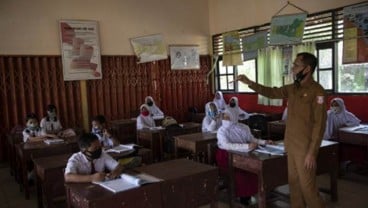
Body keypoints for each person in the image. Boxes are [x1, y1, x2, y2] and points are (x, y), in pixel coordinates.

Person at [237, 52, 327, 207]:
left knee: (308, 188)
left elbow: (320, 124)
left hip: (305, 148)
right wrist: (250, 82)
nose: (292, 68)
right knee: (294, 185)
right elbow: (271, 92)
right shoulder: (292, 88)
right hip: (290, 145)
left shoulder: (317, 91)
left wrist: (312, 152)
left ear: (307, 69)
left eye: (296, 65)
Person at [216, 109, 272, 205]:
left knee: (254, 170)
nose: (225, 119)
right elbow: (226, 145)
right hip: (227, 156)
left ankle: (252, 194)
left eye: (228, 117)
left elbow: (251, 139)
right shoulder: (222, 130)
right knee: (241, 175)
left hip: (243, 154)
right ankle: (243, 198)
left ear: (234, 116)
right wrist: (246, 146)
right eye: (224, 117)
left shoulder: (243, 127)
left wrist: (264, 142)